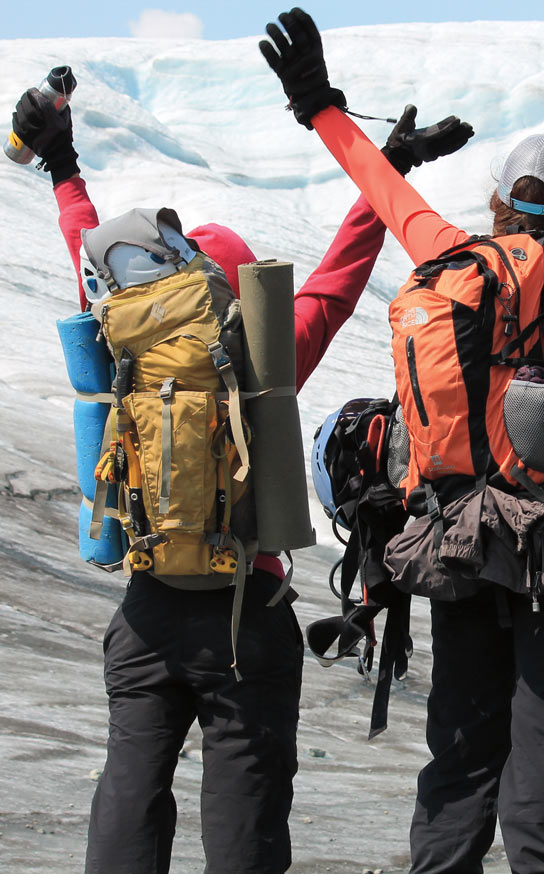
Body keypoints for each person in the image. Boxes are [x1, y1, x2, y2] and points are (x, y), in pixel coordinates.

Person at [258, 3, 544, 871]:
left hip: (461, 544)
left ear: (497, 209)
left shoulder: (448, 257)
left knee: (462, 765)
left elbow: (385, 189)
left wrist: (319, 102)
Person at [12, 81, 471, 873]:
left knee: (130, 789)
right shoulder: (272, 349)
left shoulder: (127, 342)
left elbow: (83, 246)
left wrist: (61, 162)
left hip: (148, 607)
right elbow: (340, 273)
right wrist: (389, 169)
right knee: (246, 809)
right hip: (246, 612)